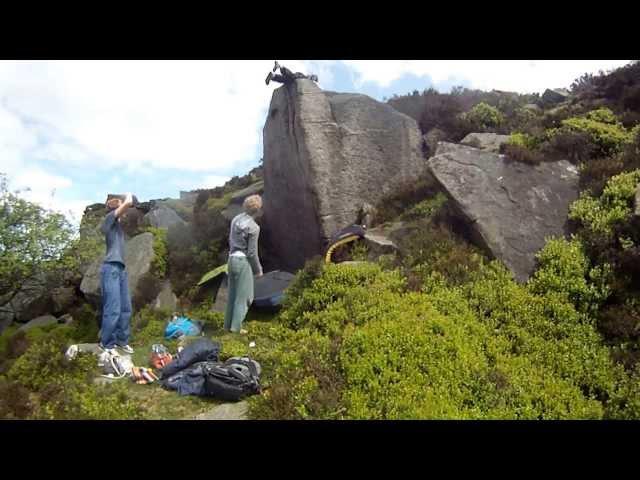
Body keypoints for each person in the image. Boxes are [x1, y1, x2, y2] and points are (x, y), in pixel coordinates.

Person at [99, 193, 135, 354]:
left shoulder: (119, 228)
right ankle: (107, 344)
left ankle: (122, 341)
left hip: (121, 269)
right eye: (117, 204)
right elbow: (128, 203)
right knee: (113, 308)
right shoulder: (108, 220)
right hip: (110, 268)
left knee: (125, 308)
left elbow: (126, 208)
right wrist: (127, 197)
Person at [224, 194, 264, 334]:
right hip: (243, 262)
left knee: (233, 295)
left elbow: (230, 239)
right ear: (258, 210)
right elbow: (252, 253)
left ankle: (228, 326)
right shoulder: (254, 228)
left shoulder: (235, 220)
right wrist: (258, 270)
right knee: (245, 296)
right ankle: (236, 328)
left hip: (231, 259)